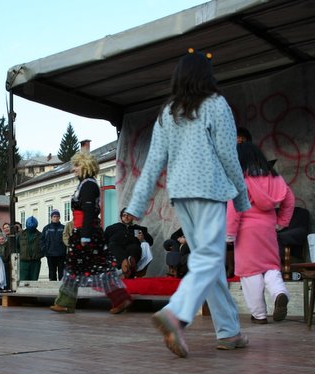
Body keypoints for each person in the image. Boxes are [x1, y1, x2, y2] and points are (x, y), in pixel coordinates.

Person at [125, 50, 251, 358]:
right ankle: (177, 313)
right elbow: (228, 155)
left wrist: (135, 205)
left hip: (181, 193)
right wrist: (241, 196)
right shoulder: (216, 104)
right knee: (209, 258)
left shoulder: (168, 113)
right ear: (207, 76)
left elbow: (153, 162)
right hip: (209, 189)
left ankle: (229, 332)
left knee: (210, 262)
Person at [50, 152, 132, 315]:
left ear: (86, 166)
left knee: (95, 267)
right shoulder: (86, 184)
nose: (73, 169)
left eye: (77, 165)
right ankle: (66, 302)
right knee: (78, 267)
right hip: (84, 232)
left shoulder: (88, 185)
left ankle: (120, 299)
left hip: (87, 233)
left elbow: (88, 211)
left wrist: (85, 236)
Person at [226, 141, 295, 324]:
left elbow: (235, 208)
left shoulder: (241, 179)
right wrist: (281, 223)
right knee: (271, 267)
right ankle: (279, 292)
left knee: (250, 272)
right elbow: (289, 199)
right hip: (268, 229)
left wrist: (230, 234)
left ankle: (259, 315)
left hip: (246, 232)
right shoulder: (275, 178)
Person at [104, 208, 154, 278]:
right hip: (117, 249)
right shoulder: (112, 228)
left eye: (129, 215)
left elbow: (150, 242)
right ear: (121, 217)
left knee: (134, 247)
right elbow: (104, 240)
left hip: (132, 249)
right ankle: (125, 263)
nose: (126, 217)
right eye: (124, 215)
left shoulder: (139, 229)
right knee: (112, 245)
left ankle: (130, 264)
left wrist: (143, 239)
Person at [40, 210, 67, 280]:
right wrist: (45, 250)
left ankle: (62, 286)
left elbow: (67, 239)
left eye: (57, 216)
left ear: (59, 217)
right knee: (52, 273)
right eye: (54, 216)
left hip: (61, 254)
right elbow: (42, 240)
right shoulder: (46, 228)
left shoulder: (63, 228)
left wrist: (65, 249)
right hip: (50, 254)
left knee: (62, 273)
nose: (56, 218)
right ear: (51, 217)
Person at [18, 216, 43, 280]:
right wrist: (20, 255)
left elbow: (44, 247)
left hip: (35, 262)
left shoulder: (40, 235)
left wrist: (40, 255)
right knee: (23, 280)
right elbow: (16, 246)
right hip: (23, 262)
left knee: (34, 281)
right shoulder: (20, 235)